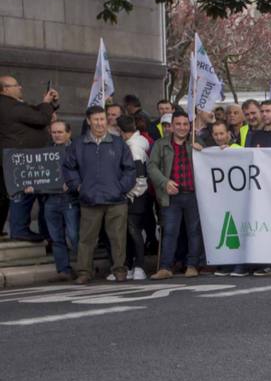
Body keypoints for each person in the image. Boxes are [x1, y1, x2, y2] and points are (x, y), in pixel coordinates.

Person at [62, 105, 135, 284]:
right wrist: (78, 187)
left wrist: (121, 188)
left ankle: (119, 270)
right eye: (96, 120)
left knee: (118, 238)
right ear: (89, 121)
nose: (100, 123)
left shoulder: (118, 144)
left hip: (116, 200)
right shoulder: (78, 144)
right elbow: (68, 168)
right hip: (90, 199)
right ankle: (84, 272)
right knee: (86, 239)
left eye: (102, 119)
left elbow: (130, 170)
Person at [146, 109, 205, 279]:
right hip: (171, 195)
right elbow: (152, 166)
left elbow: (212, 161)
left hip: (193, 194)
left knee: (194, 231)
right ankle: (165, 267)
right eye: (178, 124)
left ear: (190, 126)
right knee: (170, 231)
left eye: (185, 124)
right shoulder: (161, 144)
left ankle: (192, 265)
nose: (182, 127)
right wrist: (164, 183)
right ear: (171, 126)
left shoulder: (196, 142)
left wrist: (202, 151)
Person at [0, 73, 60, 240]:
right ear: (5, 90)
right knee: (23, 196)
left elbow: (33, 113)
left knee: (19, 196)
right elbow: (40, 119)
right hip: (22, 160)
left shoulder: (12, 105)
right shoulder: (10, 106)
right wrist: (47, 104)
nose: (20, 87)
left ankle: (23, 230)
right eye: (16, 85)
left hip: (19, 158)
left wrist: (48, 104)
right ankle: (20, 230)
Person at [117, 115, 154, 280]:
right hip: (137, 194)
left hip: (135, 196)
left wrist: (130, 194)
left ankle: (139, 266)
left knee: (134, 232)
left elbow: (140, 176)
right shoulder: (137, 144)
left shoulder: (134, 148)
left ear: (122, 132)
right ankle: (131, 265)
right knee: (131, 232)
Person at [43, 119, 78, 280]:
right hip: (51, 199)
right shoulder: (45, 152)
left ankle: (84, 267)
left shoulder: (77, 149)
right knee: (56, 237)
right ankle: (64, 270)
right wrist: (32, 186)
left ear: (68, 133)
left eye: (60, 132)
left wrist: (72, 184)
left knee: (74, 235)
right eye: (54, 132)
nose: (56, 135)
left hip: (71, 198)